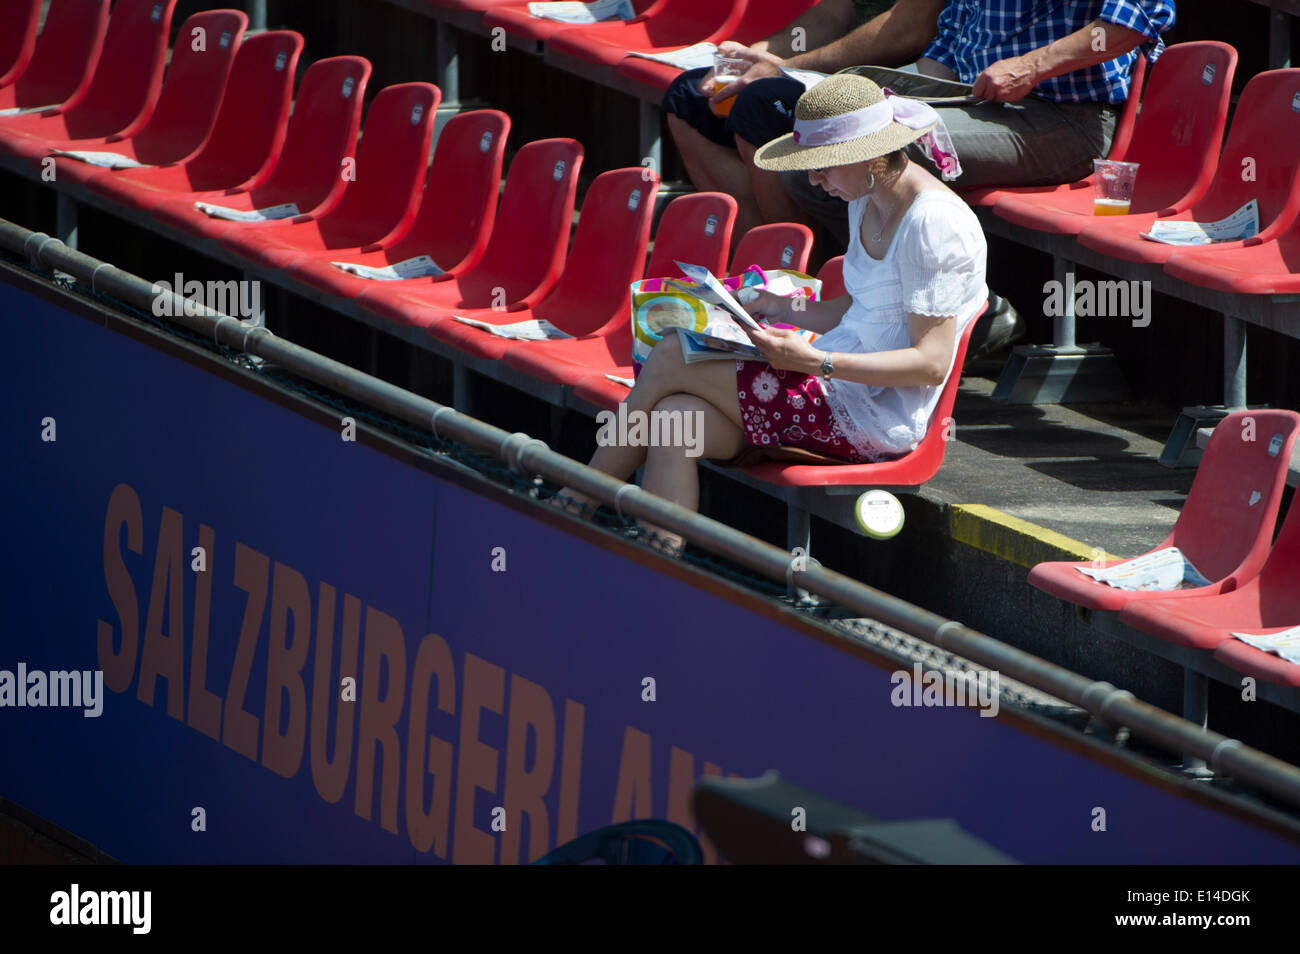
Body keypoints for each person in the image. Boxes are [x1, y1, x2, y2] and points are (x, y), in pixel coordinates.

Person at [556, 76, 988, 553]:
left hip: (873, 418)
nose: (813, 181)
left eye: (821, 167)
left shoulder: (934, 225)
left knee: (674, 353)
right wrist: (777, 307)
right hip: (834, 385)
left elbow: (930, 362)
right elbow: (864, 311)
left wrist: (813, 363)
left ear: (866, 154)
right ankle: (661, 571)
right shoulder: (866, 197)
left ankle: (570, 509)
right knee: (673, 420)